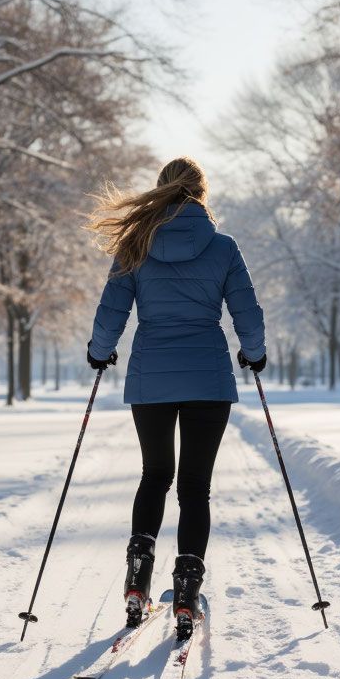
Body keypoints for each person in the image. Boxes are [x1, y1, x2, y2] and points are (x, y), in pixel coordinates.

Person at [85, 157, 266, 641]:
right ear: (201, 193)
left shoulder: (136, 244)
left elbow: (111, 312)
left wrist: (99, 352)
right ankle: (186, 594)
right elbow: (245, 308)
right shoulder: (223, 247)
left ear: (159, 191)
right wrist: (255, 352)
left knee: (154, 476)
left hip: (152, 379)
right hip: (208, 378)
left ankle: (137, 582)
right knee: (195, 488)